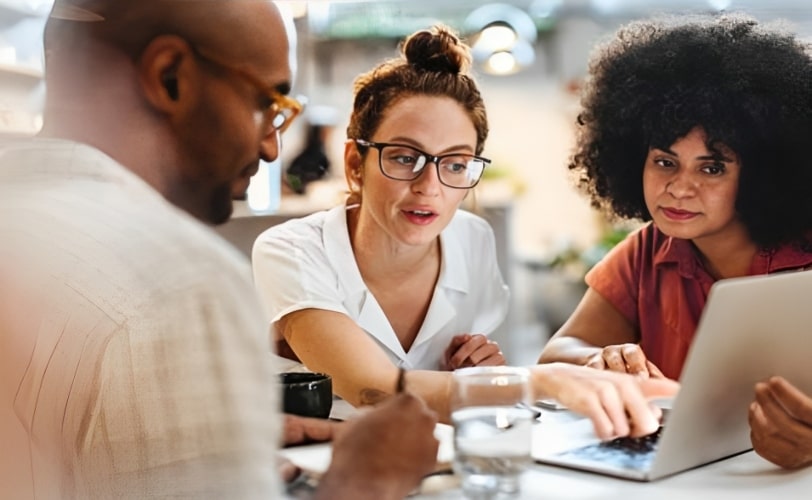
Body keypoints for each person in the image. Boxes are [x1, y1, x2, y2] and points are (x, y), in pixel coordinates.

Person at [0, 1, 438, 498]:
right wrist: (367, 478)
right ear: (171, 77)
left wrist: (223, 448)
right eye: (267, 104)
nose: (272, 147)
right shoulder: (178, 285)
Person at [253, 24, 677, 433]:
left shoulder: (472, 241)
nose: (429, 187)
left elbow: (451, 394)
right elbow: (370, 388)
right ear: (353, 164)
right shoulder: (291, 251)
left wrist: (476, 375)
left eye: (455, 163)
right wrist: (538, 381)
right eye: (404, 157)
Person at [536, 14, 812, 467]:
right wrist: (600, 360)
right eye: (665, 162)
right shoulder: (646, 252)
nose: (680, 187)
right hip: (681, 477)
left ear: (764, 173)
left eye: (712, 167)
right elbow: (555, 358)